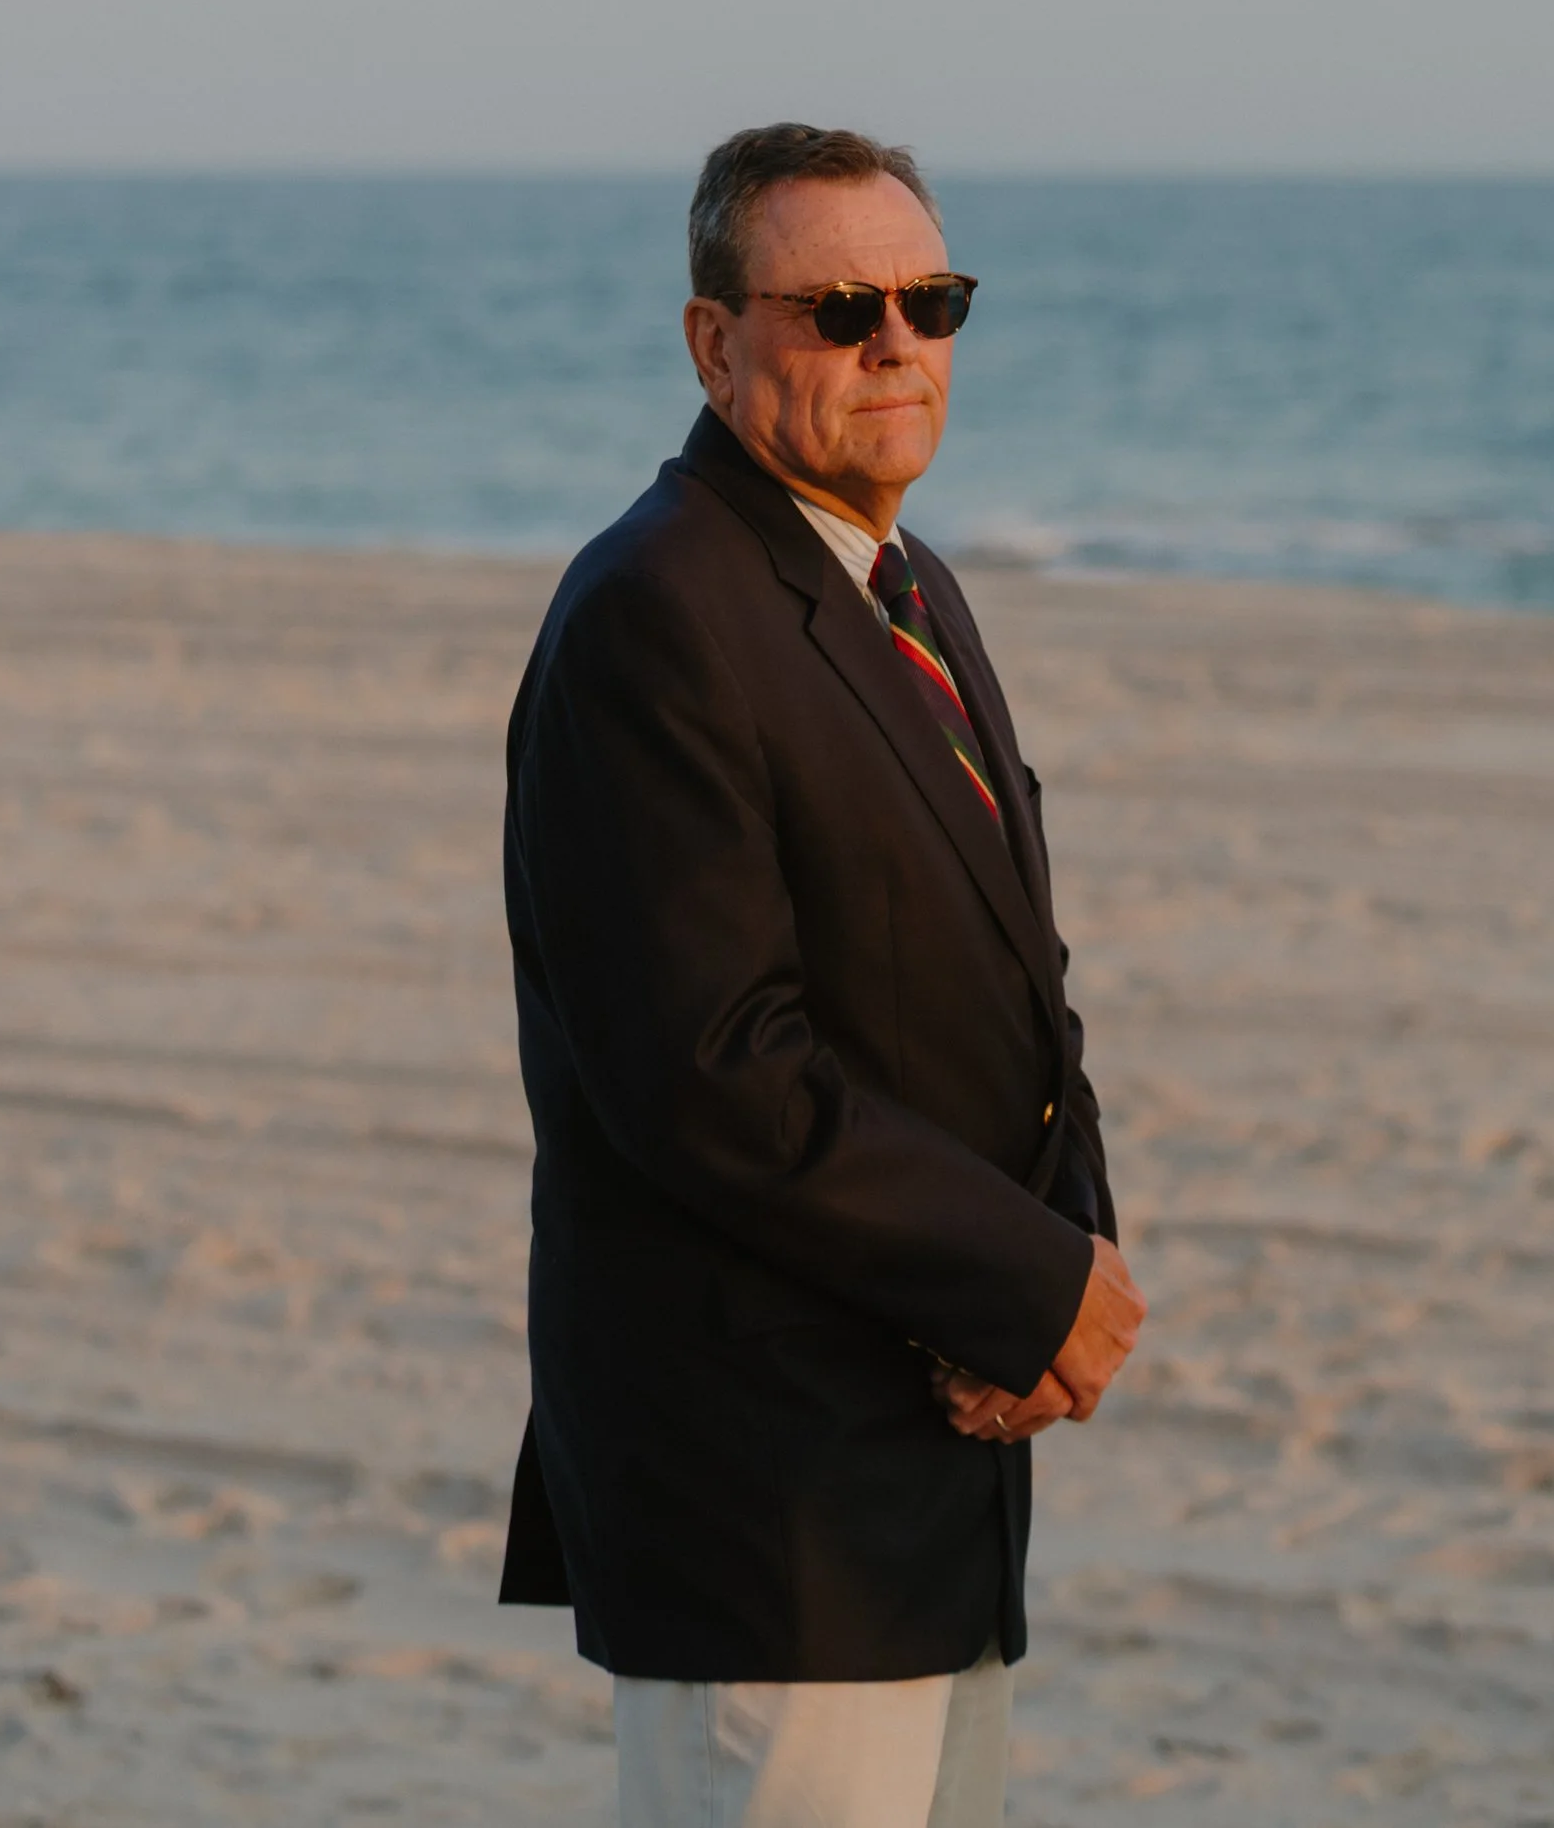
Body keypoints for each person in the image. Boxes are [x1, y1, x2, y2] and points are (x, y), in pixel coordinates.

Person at [500, 121, 1144, 1828]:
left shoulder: (906, 584)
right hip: (766, 1494)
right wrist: (1025, 1281)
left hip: (938, 1468)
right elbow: (713, 1072)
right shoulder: (655, 611)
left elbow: (1018, 986)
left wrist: (1067, 1265)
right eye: (840, 308)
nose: (895, 344)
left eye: (932, 301)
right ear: (713, 341)